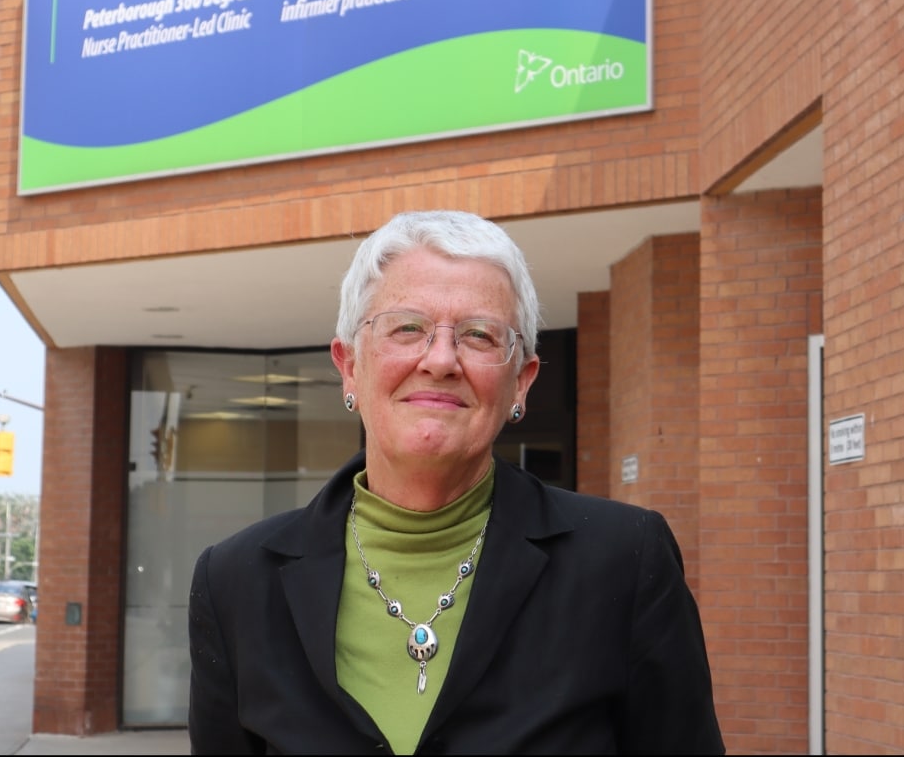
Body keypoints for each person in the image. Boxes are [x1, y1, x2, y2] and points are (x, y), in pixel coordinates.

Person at [188, 209, 724, 754]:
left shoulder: (625, 561)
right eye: (407, 328)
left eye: (479, 335)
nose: (441, 359)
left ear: (521, 381)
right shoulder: (236, 582)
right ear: (350, 366)